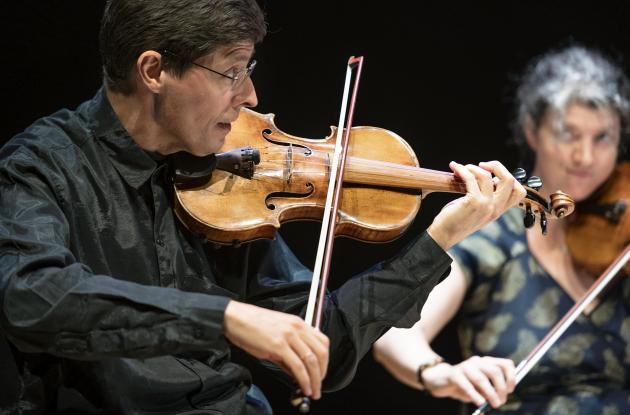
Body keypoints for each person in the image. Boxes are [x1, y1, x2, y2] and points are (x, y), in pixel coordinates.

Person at [0, 1, 525, 414]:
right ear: (154, 70)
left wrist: (438, 240)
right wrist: (225, 317)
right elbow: (32, 296)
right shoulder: (42, 166)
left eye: (249, 66)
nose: (250, 94)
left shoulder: (232, 176)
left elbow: (325, 348)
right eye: (231, 71)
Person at [373, 45, 630, 414]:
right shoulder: (494, 238)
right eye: (568, 134)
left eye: (602, 138)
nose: (585, 157)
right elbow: (395, 334)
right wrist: (437, 372)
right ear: (532, 130)